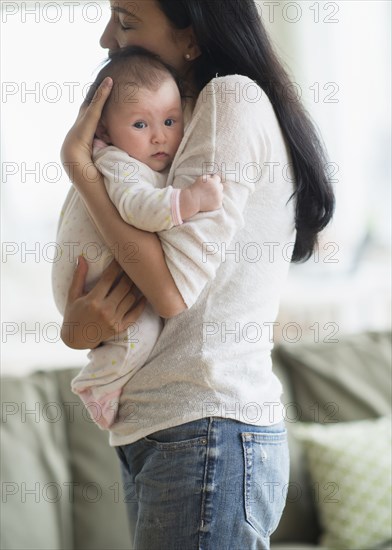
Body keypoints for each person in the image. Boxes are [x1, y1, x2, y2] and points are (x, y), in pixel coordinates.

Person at [60, 1, 335, 548]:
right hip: (167, 429)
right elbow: (138, 288)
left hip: (207, 426)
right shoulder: (177, 126)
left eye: (127, 20)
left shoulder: (230, 100)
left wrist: (84, 172)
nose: (106, 39)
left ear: (192, 34)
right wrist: (78, 329)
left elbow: (169, 291)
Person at [53, 46, 223, 429]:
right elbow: (138, 208)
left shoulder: (141, 158)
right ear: (105, 131)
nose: (160, 137)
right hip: (89, 282)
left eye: (170, 121)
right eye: (140, 125)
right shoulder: (115, 162)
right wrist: (192, 198)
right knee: (140, 333)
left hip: (100, 283)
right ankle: (98, 386)